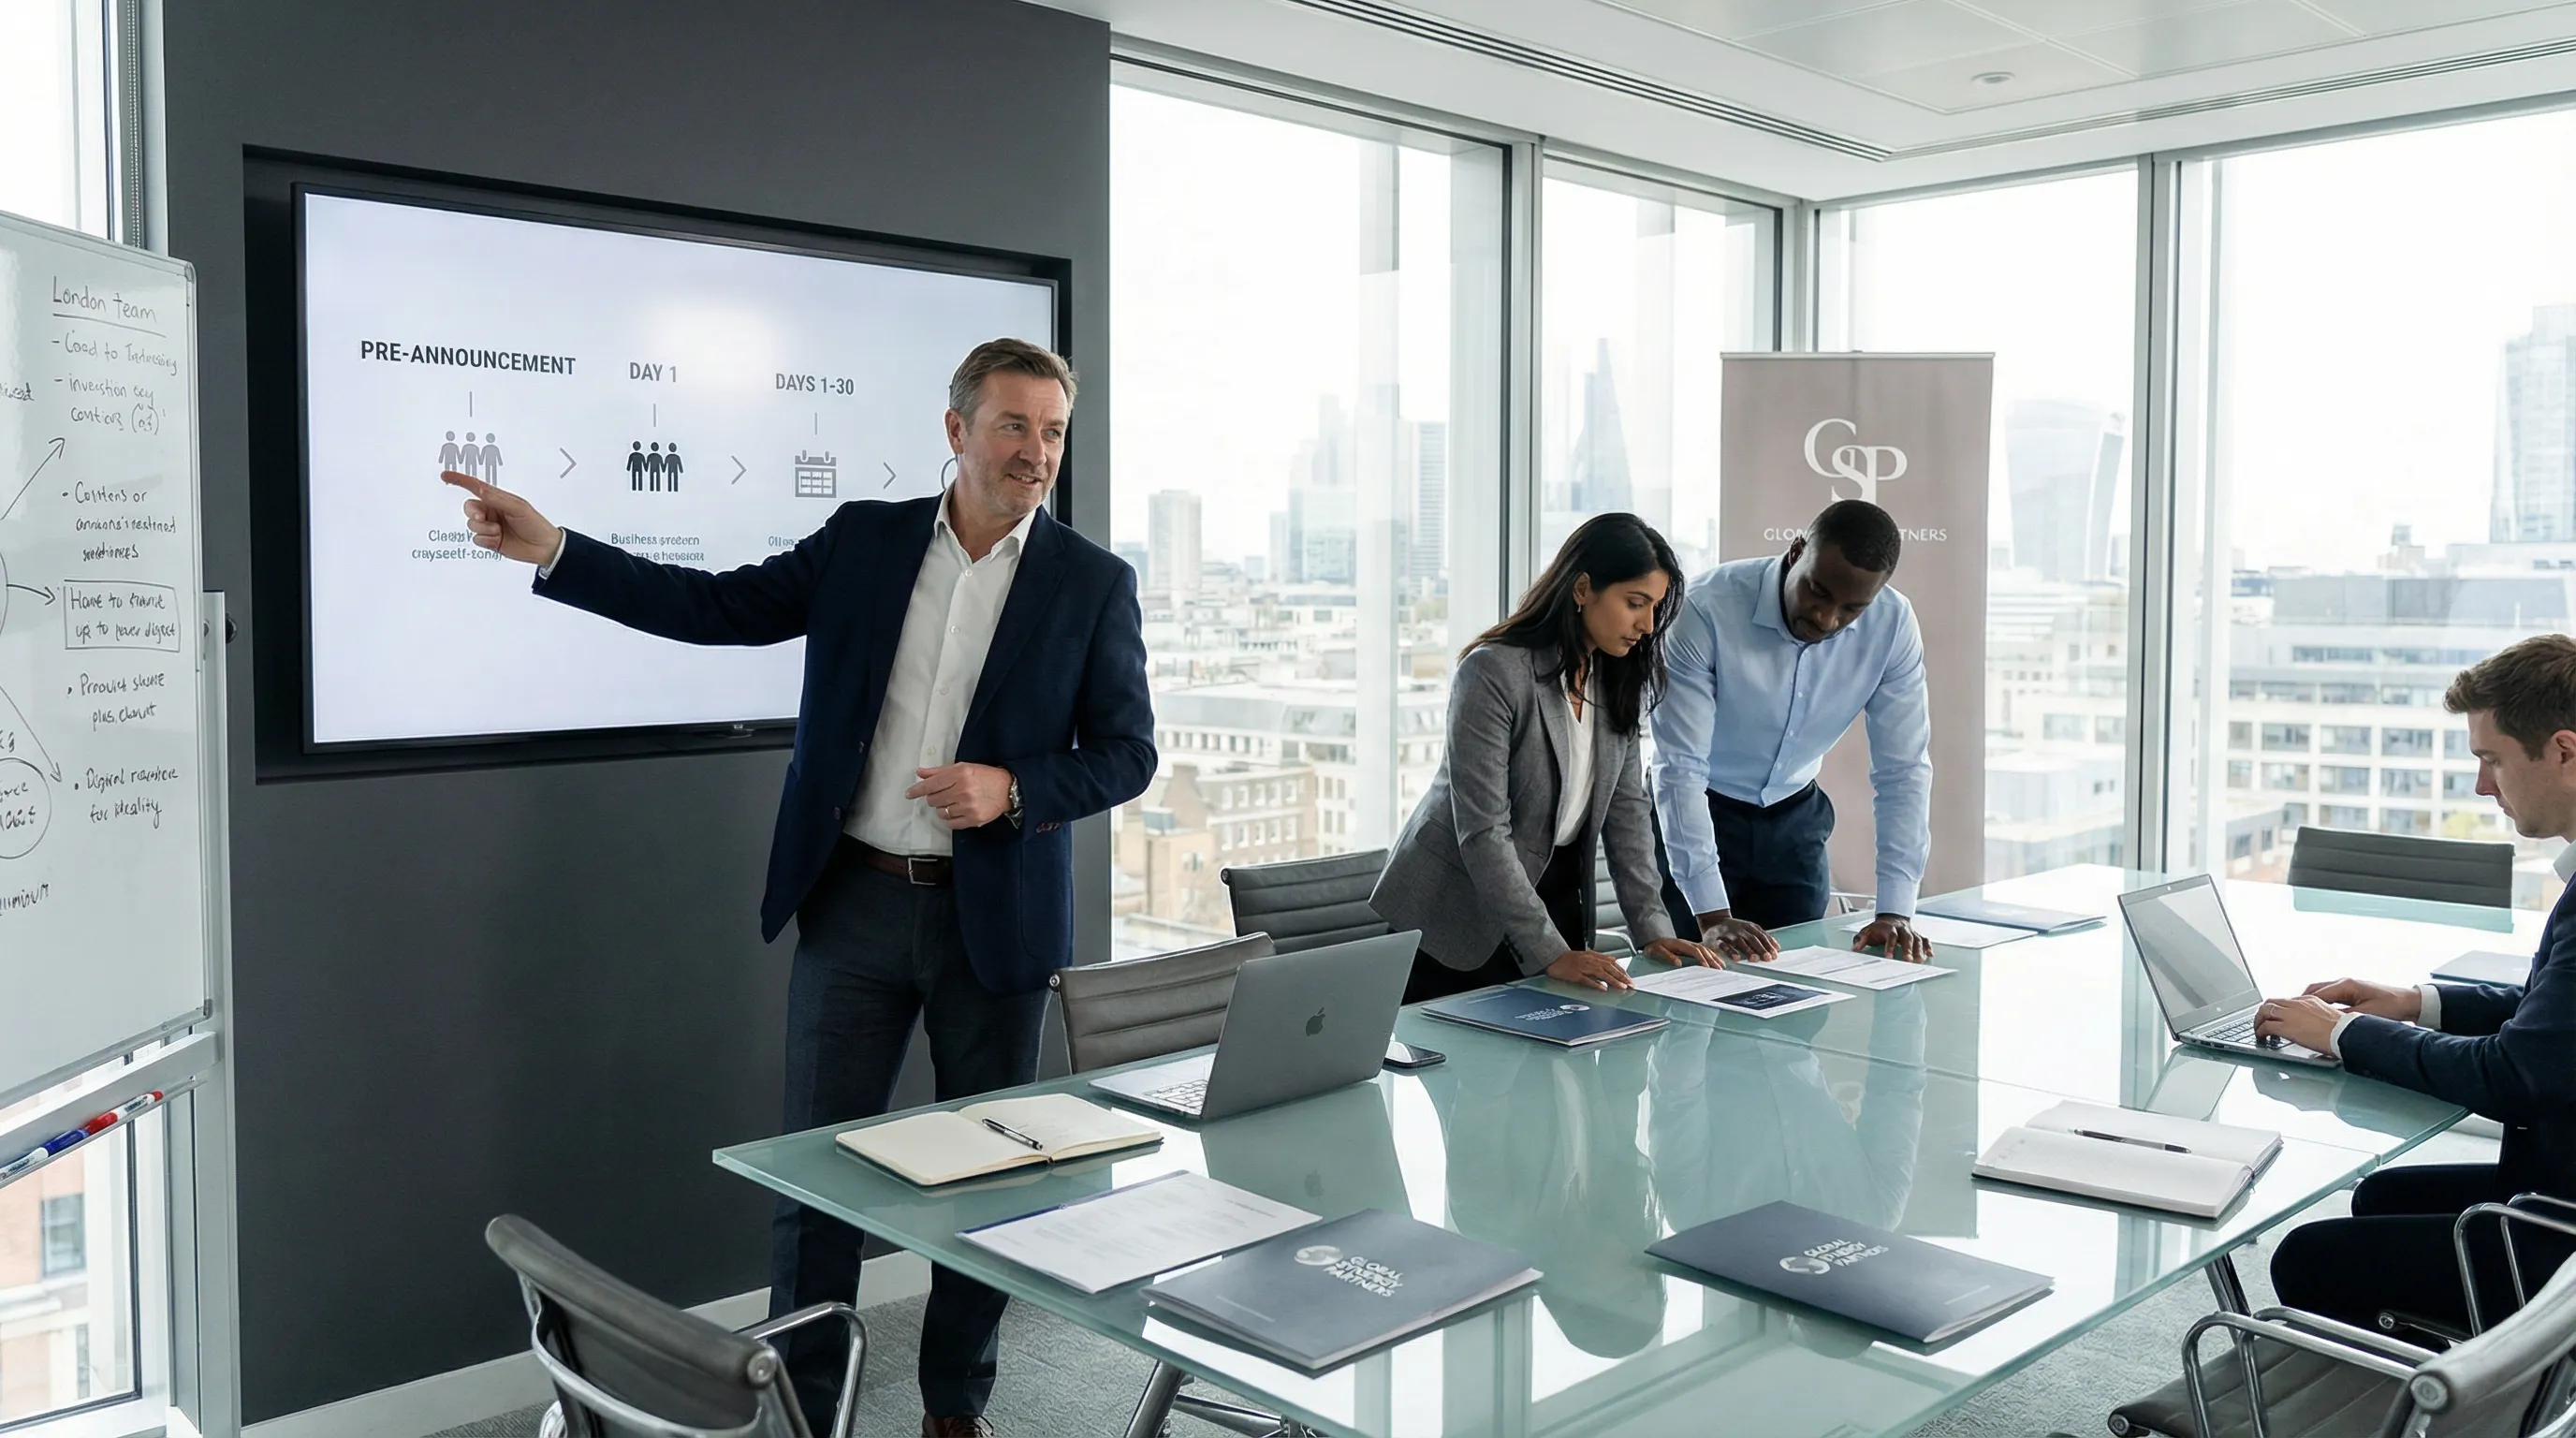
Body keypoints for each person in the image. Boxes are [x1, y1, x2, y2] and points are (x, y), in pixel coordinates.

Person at [441, 338, 1152, 1438]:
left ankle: (956, 1409)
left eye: (1053, 431)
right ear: (957, 430)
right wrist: (559, 550)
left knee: (989, 1189)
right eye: (1014, 426)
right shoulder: (866, 541)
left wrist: (1014, 787)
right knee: (813, 1187)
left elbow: (1126, 752)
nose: (1036, 454)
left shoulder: (1093, 583)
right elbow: (715, 606)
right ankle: (806, 1415)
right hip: (855, 904)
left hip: (994, 924)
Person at [2259, 634, 2576, 1339]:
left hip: (2561, 1240)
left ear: (2563, 751)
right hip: (2561, 1184)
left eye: (2491, 759)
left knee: (2309, 1258)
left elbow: (2516, 1074)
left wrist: (2345, 1036)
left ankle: (2453, 1403)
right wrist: (2418, 1003)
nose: (2481, 786)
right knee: (2378, 1196)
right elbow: (2555, 1023)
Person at [1374, 513, 1722, 1002]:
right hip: (1456, 914)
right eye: (1635, 603)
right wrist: (1550, 951)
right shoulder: (1494, 672)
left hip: (1553, 898)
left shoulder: (1615, 678)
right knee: (1465, 1071)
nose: (1646, 625)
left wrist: (1652, 928)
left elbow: (1628, 817)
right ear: (1583, 589)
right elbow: (1482, 832)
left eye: (1654, 608)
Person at [1649, 498, 1934, 964]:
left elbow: (1903, 770)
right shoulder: (1703, 610)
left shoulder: (1893, 625)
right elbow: (1679, 769)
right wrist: (1712, 914)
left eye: (1851, 609)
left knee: (1797, 995)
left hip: (1795, 820)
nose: (1826, 619)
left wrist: (1896, 911)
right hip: (1700, 810)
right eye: (1817, 592)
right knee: (1691, 995)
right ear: (1796, 551)